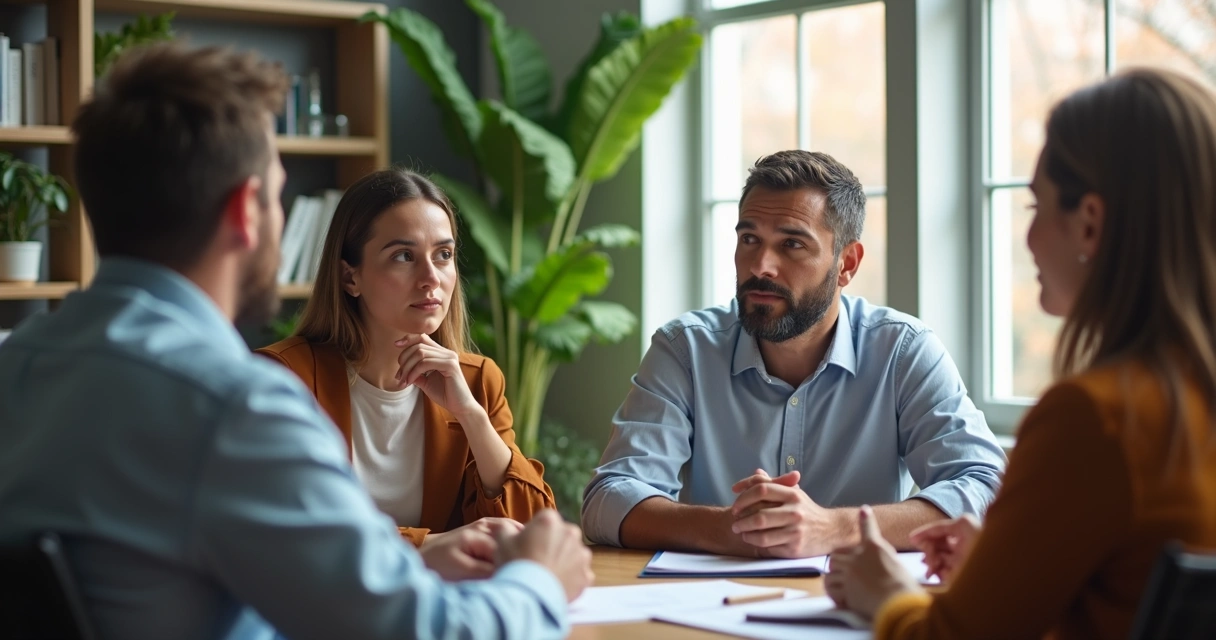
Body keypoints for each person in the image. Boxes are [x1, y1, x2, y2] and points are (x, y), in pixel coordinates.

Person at [0, 43, 590, 640]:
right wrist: (540, 582)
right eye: (277, 195)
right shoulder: (236, 407)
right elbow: (421, 630)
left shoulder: (17, 365)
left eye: (443, 255)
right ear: (246, 212)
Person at [825, 68, 1216, 639]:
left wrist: (885, 595)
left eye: (1036, 208)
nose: (1028, 239)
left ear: (1090, 224)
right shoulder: (1189, 400)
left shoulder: (1098, 419)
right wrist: (1009, 559)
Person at [582, 150, 1007, 558]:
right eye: (750, 239)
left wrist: (834, 529)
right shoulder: (686, 350)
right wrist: (734, 529)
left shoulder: (903, 351)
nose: (760, 266)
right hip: (715, 599)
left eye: (792, 244)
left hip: (860, 598)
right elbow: (608, 499)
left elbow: (986, 486)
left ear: (847, 264)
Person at [257, 168, 555, 547]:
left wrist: (470, 415)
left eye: (444, 255)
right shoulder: (285, 379)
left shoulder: (477, 382)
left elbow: (532, 532)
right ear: (350, 278)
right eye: (403, 256)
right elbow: (287, 523)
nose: (431, 278)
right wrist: (426, 545)